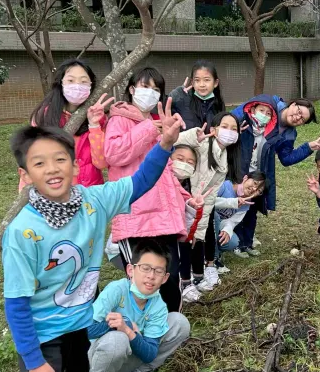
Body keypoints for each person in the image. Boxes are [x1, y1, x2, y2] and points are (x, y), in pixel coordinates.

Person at [2, 98, 184, 372]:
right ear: (25, 175)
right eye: (40, 163)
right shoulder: (23, 232)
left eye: (61, 158)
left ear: (73, 163)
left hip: (81, 330)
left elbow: (138, 184)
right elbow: (16, 305)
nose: (53, 169)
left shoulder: (92, 201)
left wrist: (163, 144)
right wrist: (35, 365)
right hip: (45, 337)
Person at [104, 66, 188, 313]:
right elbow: (114, 154)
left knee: (169, 277)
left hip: (165, 217)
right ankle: (142, 332)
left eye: (156, 89)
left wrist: (185, 198)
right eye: (144, 87)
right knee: (143, 281)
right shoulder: (119, 119)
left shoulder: (158, 124)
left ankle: (170, 326)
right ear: (131, 89)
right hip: (137, 217)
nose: (150, 93)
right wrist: (152, 129)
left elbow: (167, 173)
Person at [86, 239, 191, 372]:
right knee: (117, 339)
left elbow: (150, 353)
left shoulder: (158, 305)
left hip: (129, 355)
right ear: (130, 270)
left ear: (165, 278)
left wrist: (129, 331)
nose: (151, 276)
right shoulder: (116, 290)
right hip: (95, 358)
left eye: (158, 271)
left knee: (179, 322)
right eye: (145, 268)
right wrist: (117, 326)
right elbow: (85, 330)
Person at [231, 95, 320, 257]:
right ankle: (234, 240)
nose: (297, 117)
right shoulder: (268, 105)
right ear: (293, 103)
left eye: (302, 119)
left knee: (252, 207)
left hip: (258, 172)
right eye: (298, 111)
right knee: (236, 203)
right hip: (239, 165)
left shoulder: (289, 134)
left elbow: (286, 159)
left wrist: (308, 147)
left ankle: (247, 241)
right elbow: (235, 116)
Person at [174, 112, 242, 302]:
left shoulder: (223, 156)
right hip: (182, 200)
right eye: (225, 126)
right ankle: (184, 282)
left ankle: (197, 278)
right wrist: (193, 134)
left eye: (234, 129)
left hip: (200, 205)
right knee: (185, 241)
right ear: (213, 129)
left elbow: (210, 196)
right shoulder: (202, 144)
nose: (229, 132)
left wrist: (200, 223)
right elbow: (174, 141)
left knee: (197, 238)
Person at [23, 58, 110, 189]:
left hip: (90, 194)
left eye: (83, 81)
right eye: (70, 80)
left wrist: (94, 125)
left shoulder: (98, 118)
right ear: (61, 83)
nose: (77, 85)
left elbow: (101, 163)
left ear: (91, 86)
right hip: (55, 192)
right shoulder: (44, 117)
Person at [214, 172, 267, 264]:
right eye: (254, 183)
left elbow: (232, 221)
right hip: (203, 221)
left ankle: (213, 253)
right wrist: (233, 202)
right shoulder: (225, 186)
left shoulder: (246, 204)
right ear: (245, 178)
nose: (254, 189)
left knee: (233, 242)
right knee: (215, 216)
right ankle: (213, 259)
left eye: (258, 190)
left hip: (218, 226)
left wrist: (227, 229)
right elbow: (207, 203)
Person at [169, 59, 226, 130]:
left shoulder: (219, 103)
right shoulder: (182, 100)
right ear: (192, 82)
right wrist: (174, 95)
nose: (202, 85)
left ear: (215, 83)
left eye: (206, 80)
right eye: (197, 80)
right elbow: (160, 108)